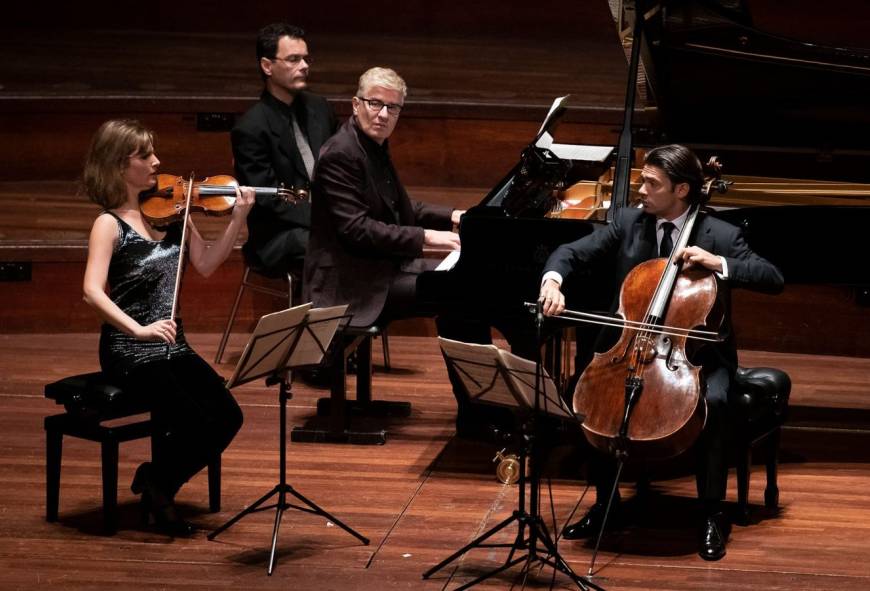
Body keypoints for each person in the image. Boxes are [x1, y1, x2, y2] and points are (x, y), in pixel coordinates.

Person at [539, 144, 784, 561]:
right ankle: (605, 505)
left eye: (652, 183)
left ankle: (711, 513)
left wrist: (719, 263)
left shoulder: (720, 234)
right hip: (630, 347)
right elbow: (572, 251)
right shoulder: (628, 222)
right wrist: (552, 280)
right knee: (594, 399)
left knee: (715, 403)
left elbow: (772, 277)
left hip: (697, 356)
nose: (641, 190)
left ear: (682, 190)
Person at [82, 119, 255, 536]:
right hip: (128, 350)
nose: (157, 161)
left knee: (227, 416)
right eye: (145, 155)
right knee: (191, 417)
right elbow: (91, 291)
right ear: (119, 166)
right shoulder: (109, 224)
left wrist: (238, 219)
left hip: (172, 345)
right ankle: (161, 495)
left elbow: (207, 264)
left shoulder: (175, 214)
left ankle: (157, 480)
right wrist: (138, 331)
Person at [303, 67, 495, 430]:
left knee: (465, 286)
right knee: (457, 293)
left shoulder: (371, 147)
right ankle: (478, 415)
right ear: (356, 104)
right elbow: (357, 230)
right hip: (350, 285)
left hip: (378, 270)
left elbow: (402, 208)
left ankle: (480, 409)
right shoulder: (340, 154)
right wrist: (429, 238)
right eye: (375, 104)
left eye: (392, 108)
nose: (383, 114)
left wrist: (453, 216)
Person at [231, 22, 337, 277]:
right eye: (293, 59)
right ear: (267, 66)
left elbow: (342, 164)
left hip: (328, 220)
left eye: (306, 58)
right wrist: (326, 220)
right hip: (279, 236)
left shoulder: (320, 108)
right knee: (336, 246)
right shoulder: (250, 128)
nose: (304, 65)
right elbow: (269, 200)